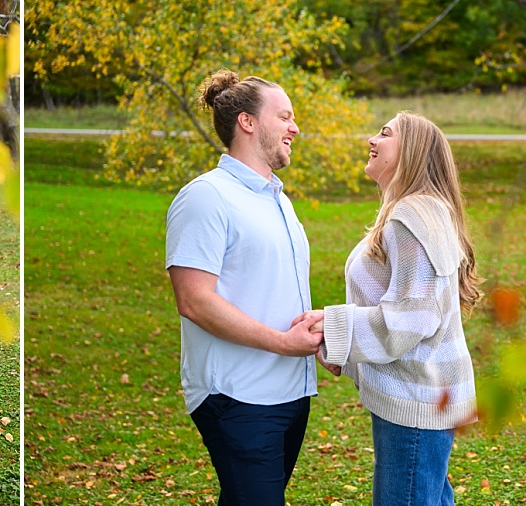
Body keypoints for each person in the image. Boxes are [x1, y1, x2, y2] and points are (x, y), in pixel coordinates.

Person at [301, 112, 482, 506]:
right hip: (419, 396)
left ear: (413, 151)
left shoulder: (411, 217)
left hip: (415, 402)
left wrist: (333, 328)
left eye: (385, 133)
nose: (372, 139)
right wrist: (346, 350)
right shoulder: (417, 212)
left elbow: (412, 318)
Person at [164, 69, 323, 505]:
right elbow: (193, 301)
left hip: (290, 390)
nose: (295, 128)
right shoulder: (206, 197)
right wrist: (281, 342)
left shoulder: (278, 200)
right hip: (237, 395)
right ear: (247, 123)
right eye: (285, 116)